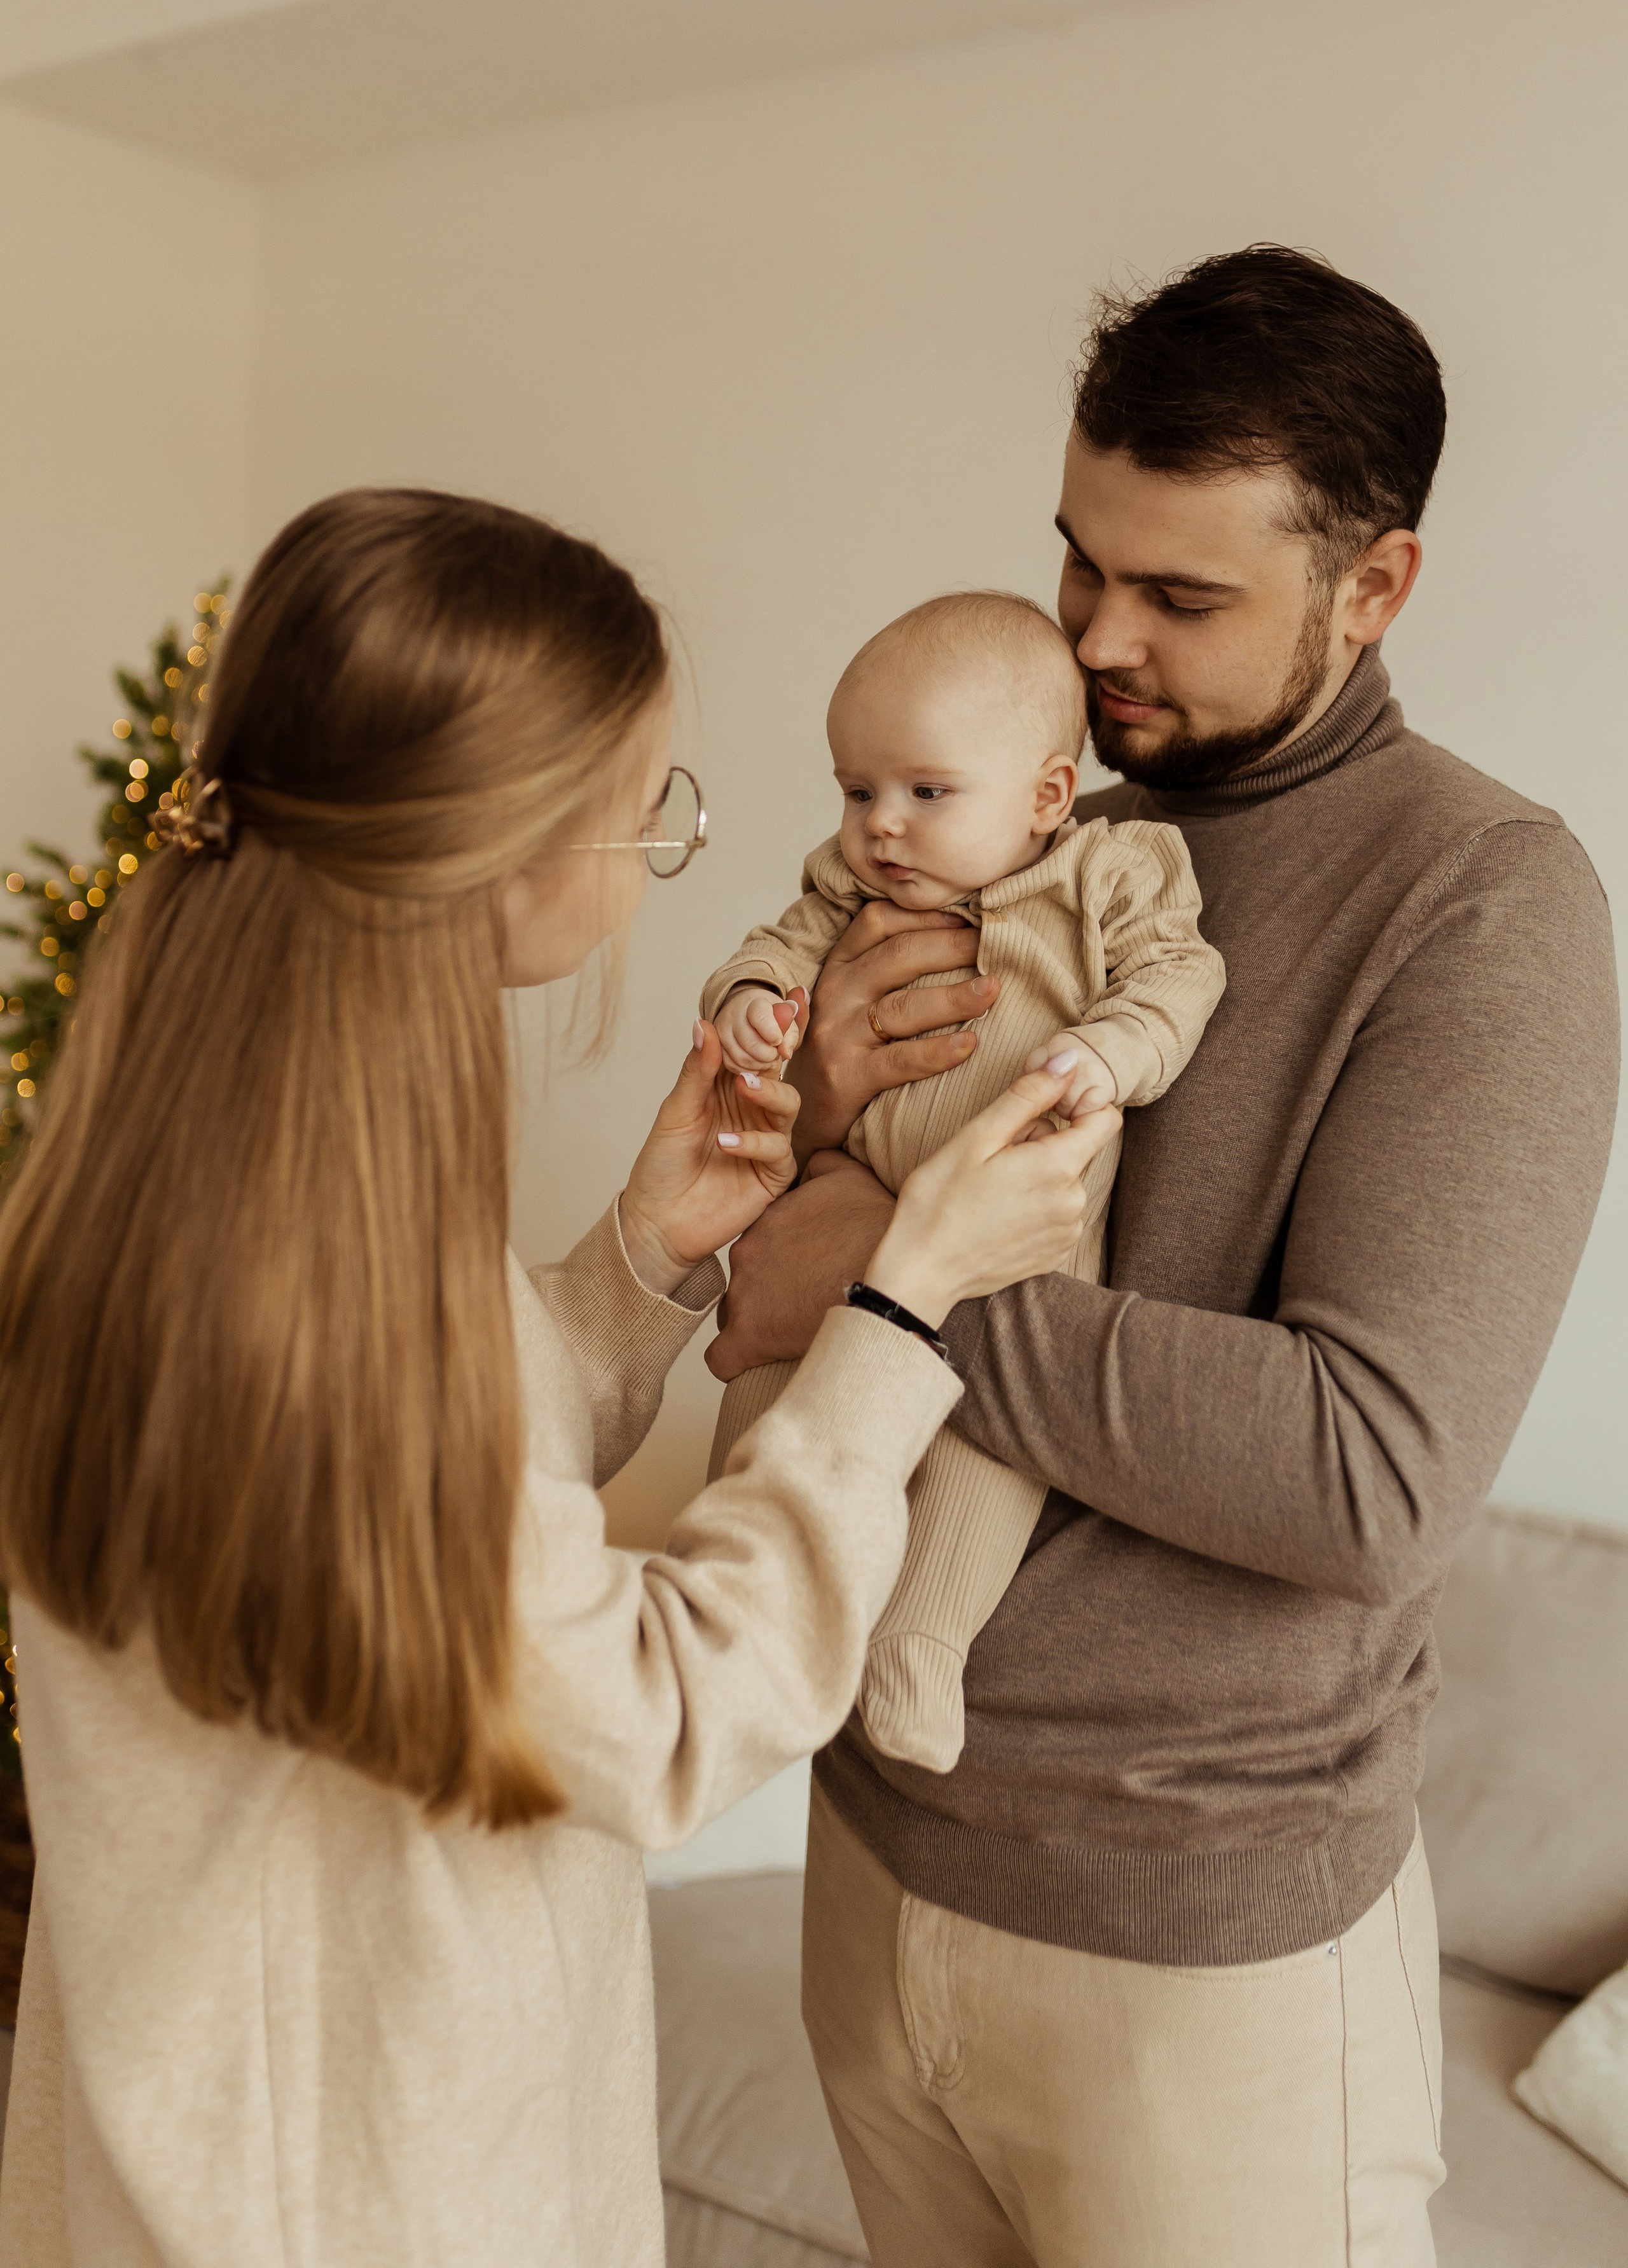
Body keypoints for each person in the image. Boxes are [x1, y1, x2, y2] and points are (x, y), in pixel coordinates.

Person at [0, 488, 1117, 2267]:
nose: (653, 849)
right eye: (640, 812)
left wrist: (634, 1265)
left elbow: (421, 1546)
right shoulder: (306, 1286)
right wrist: (909, 1309)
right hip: (357, 2192)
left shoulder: (214, 1181)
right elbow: (664, 1715)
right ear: (515, 852)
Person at [709, 247, 1620, 2266]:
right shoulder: (1023, 839)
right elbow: (765, 1259)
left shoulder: (1484, 904)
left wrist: (896, 1273)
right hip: (871, 1843)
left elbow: (1367, 1474)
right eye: (1078, 562)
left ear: (1374, 586)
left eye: (1183, 596)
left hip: (1206, 1961)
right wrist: (799, 1140)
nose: (1100, 639)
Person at [703, 590, 1222, 1771]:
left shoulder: (1113, 874)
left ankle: (921, 1645)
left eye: (927, 793)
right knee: (772, 1393)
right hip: (843, 1225)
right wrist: (747, 1005)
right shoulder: (854, 890)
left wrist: (1109, 1051)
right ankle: (746, 1617)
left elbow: (1180, 979)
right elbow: (772, 948)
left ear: (1047, 796)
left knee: (986, 1456)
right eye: (857, 790)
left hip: (1011, 1238)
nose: (881, 826)